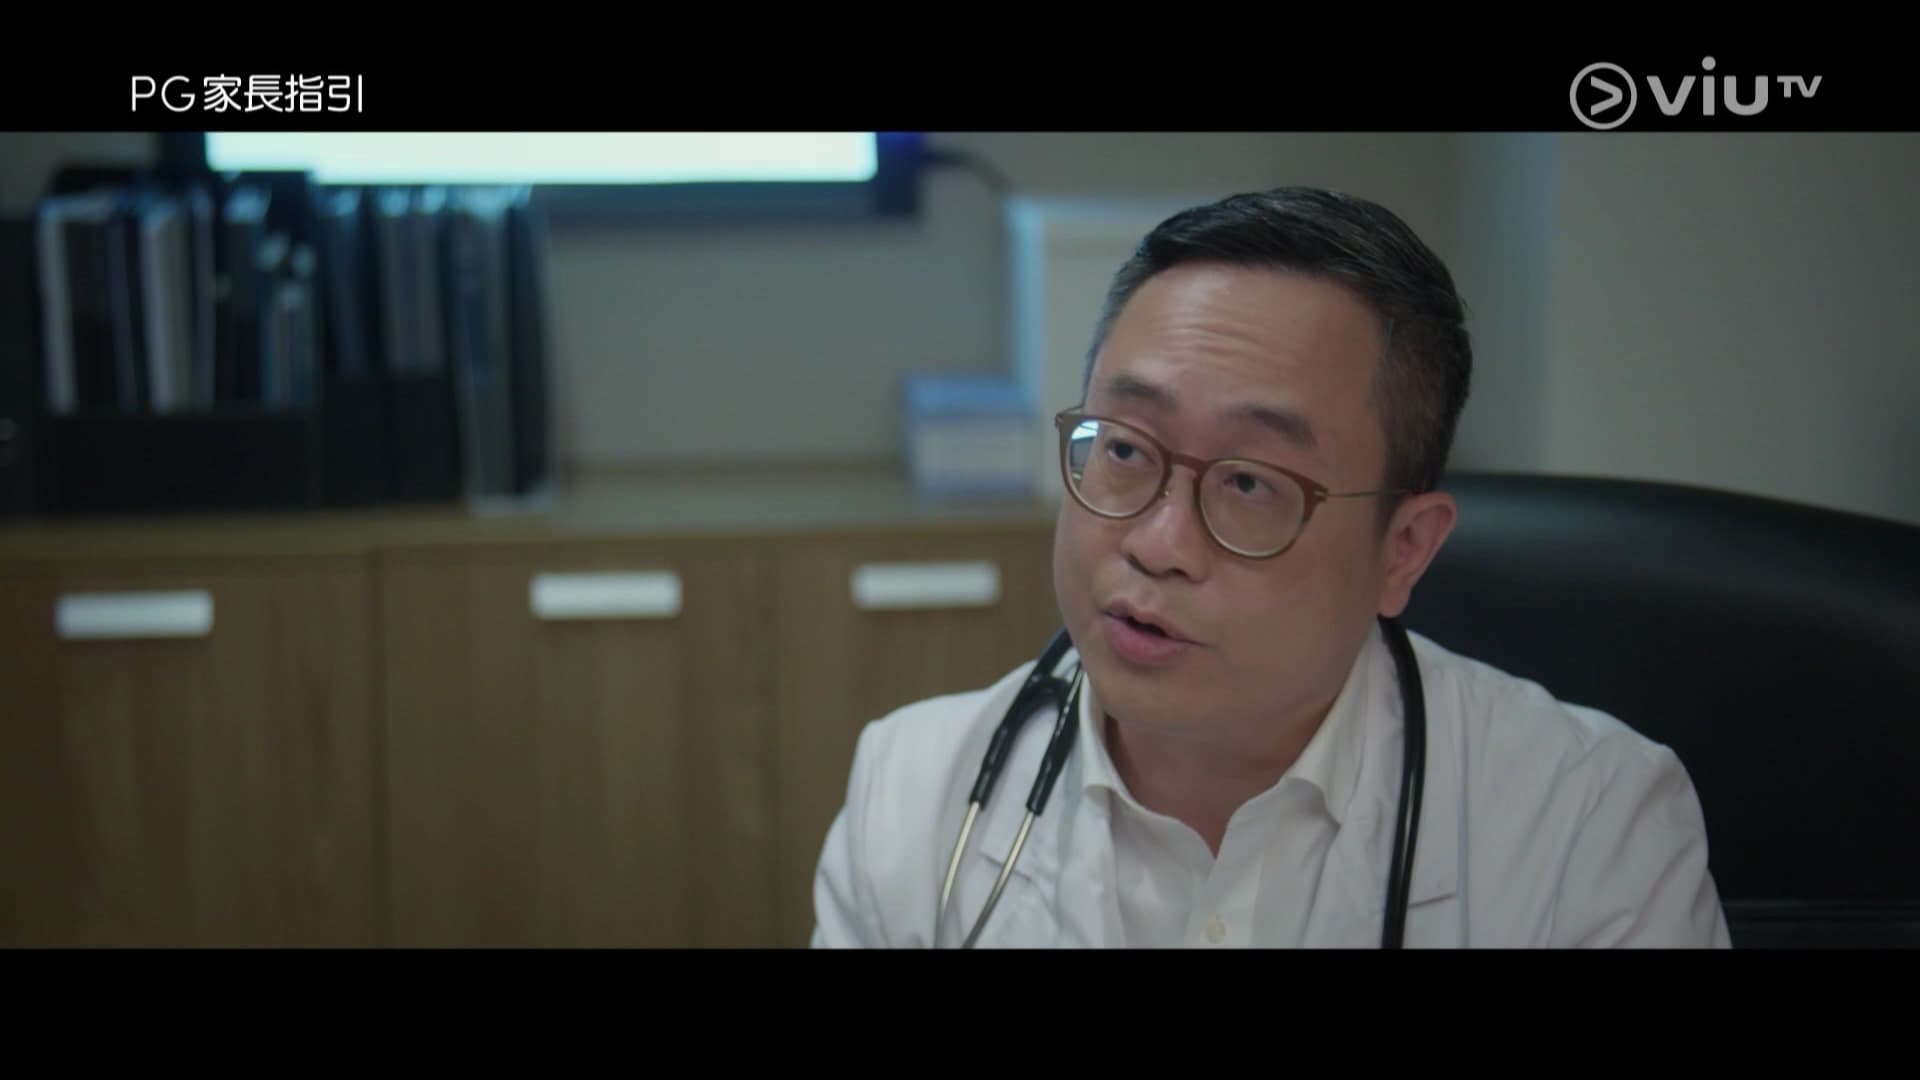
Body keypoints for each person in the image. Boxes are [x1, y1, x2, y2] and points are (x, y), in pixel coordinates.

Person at [810, 186, 1731, 948]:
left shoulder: (1589, 828)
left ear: (1403, 550)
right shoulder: (914, 797)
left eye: (1249, 483)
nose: (1158, 544)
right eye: (1125, 448)